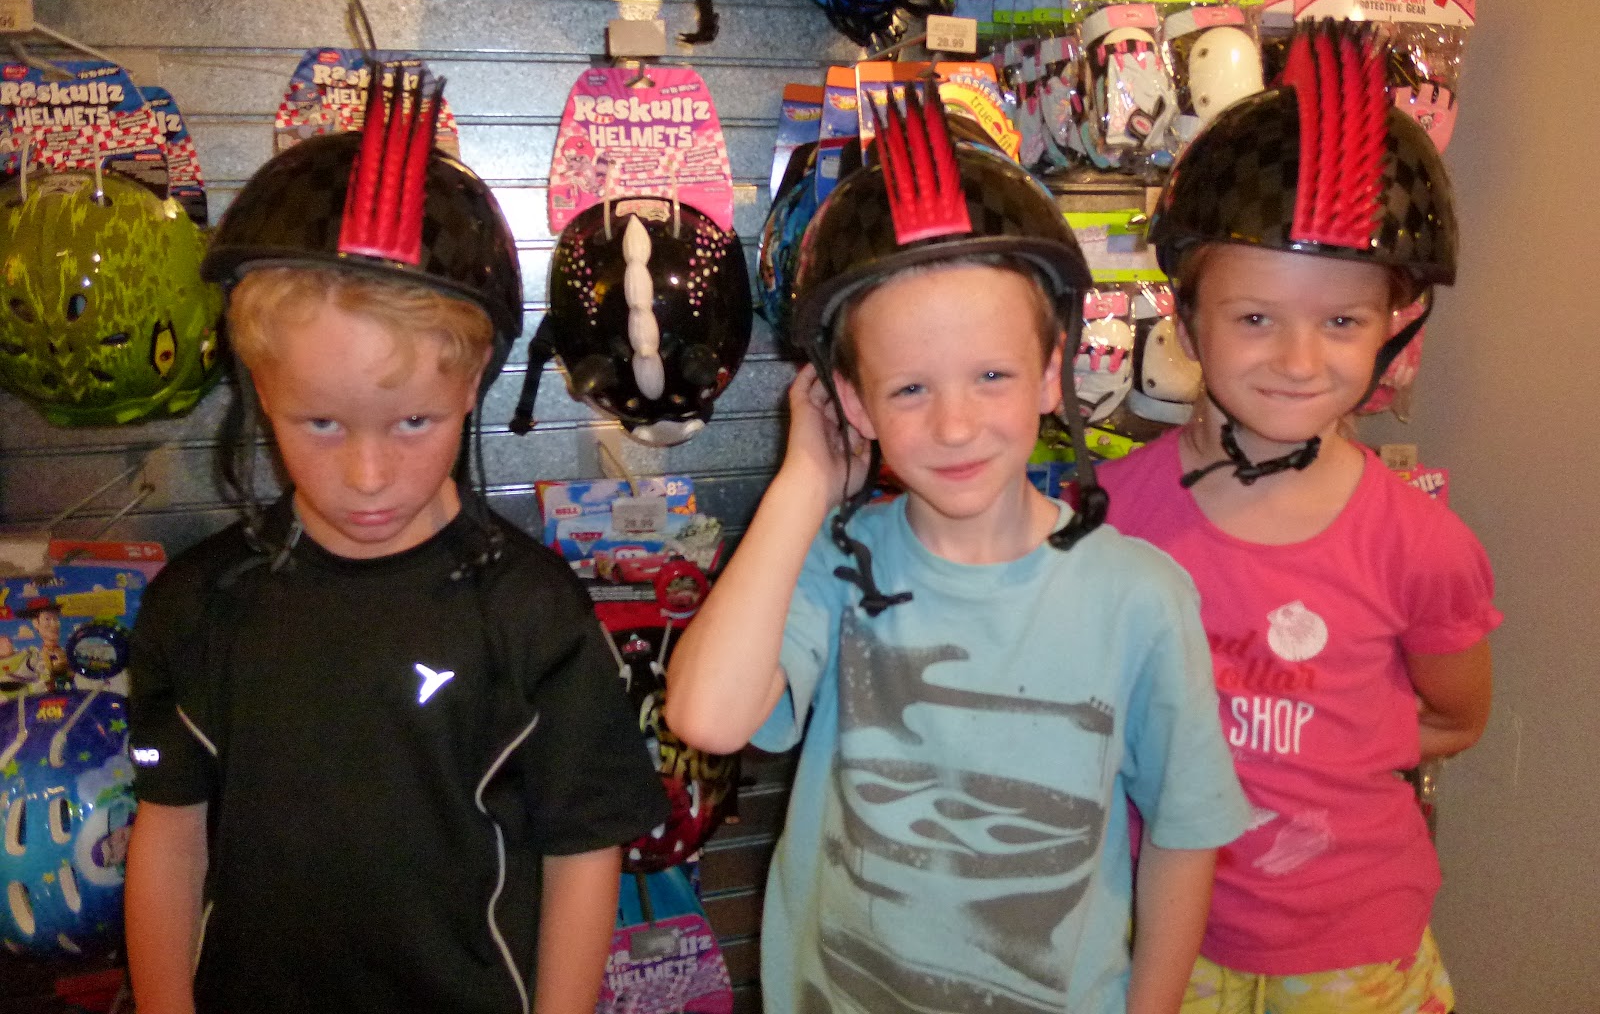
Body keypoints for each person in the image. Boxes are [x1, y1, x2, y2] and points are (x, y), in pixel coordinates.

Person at [666, 85, 1250, 1014]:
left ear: (1052, 371)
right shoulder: (838, 561)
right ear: (851, 402)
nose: (954, 424)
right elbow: (707, 718)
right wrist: (805, 482)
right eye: (909, 389)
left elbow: (1185, 833)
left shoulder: (1140, 595)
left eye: (991, 375)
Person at [123, 66, 670, 1014]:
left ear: (474, 382)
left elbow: (584, 851)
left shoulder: (531, 613)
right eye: (320, 423)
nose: (368, 476)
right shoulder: (201, 605)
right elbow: (170, 837)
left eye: (414, 421)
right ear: (259, 386)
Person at [1097, 22, 1499, 1014]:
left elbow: (1454, 716)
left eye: (1341, 322)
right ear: (1187, 318)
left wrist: (1323, 745)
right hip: (1160, 938)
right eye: (1254, 318)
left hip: (1351, 948)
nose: (1298, 360)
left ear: (1393, 327)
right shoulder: (1109, 514)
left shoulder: (1421, 546)